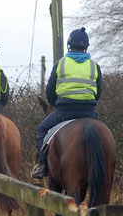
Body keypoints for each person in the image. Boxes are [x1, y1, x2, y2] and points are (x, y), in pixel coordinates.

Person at [30, 27, 103, 180]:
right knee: (103, 137)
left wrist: (55, 103)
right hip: (89, 111)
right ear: (86, 46)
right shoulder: (94, 65)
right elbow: (98, 91)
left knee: (42, 130)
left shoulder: (61, 64)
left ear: (69, 45)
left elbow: (50, 90)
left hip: (64, 111)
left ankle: (43, 166)